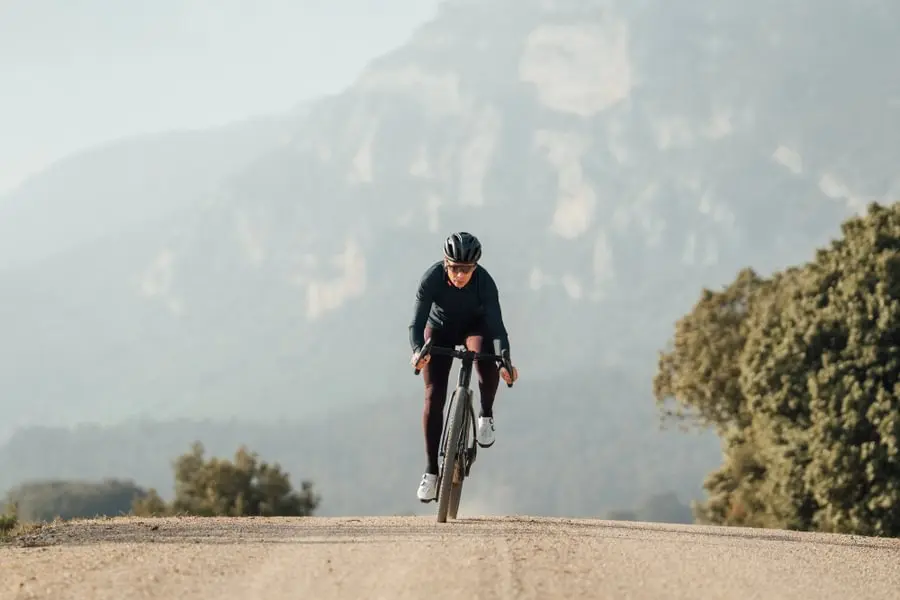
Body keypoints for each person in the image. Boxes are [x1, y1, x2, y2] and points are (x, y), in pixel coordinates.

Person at [408, 231, 519, 502]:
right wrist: (416, 352)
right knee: (434, 395)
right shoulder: (431, 278)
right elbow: (417, 323)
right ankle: (432, 472)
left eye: (466, 269)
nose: (459, 275)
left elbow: (498, 329)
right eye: (455, 268)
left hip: (475, 327)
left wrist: (505, 360)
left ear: (475, 267)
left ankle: (486, 414)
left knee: (487, 359)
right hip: (440, 328)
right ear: (446, 264)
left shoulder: (485, 283)